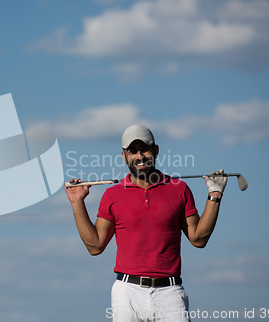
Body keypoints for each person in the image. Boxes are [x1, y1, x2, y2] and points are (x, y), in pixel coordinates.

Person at [64, 124, 227, 322]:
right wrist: (77, 202)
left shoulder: (179, 189)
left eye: (145, 149)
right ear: (124, 156)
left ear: (156, 151)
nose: (140, 156)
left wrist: (214, 195)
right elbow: (95, 246)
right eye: (133, 151)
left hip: (170, 292)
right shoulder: (112, 194)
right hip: (127, 293)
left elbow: (198, 239)